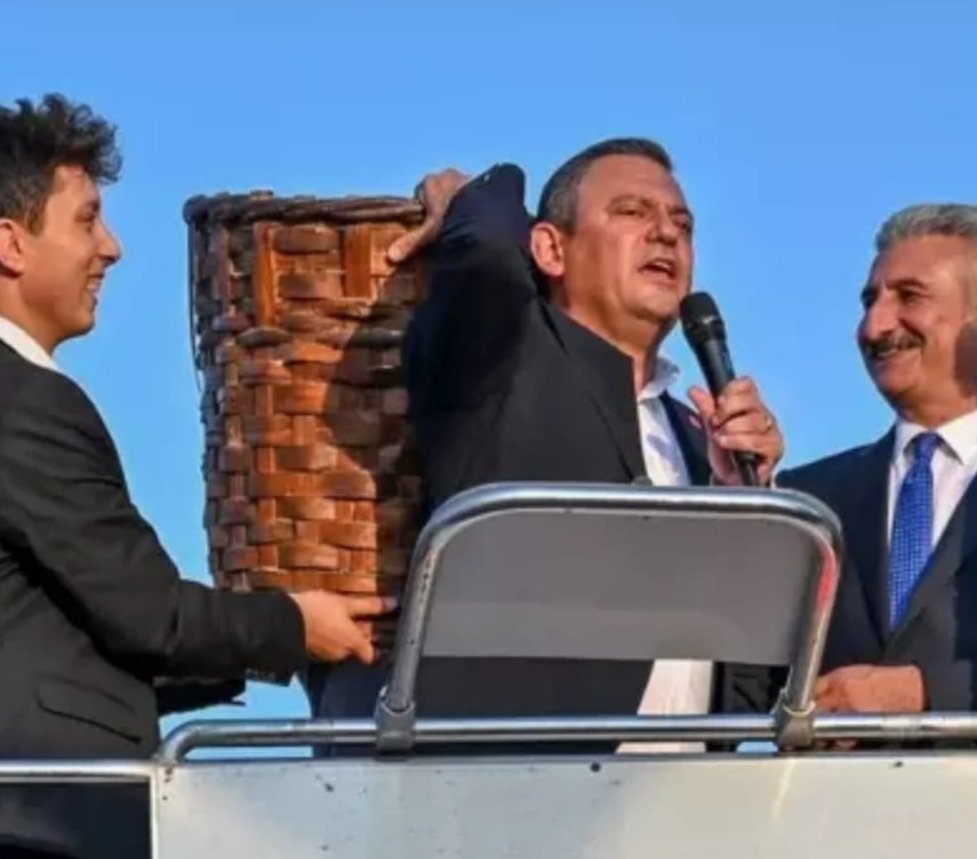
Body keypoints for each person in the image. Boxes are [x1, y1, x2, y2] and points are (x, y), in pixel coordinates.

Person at [0, 94, 394, 858]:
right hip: (42, 823)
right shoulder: (25, 402)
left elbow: (70, 634)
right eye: (86, 220)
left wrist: (259, 646)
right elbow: (149, 616)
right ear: (11, 243)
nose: (111, 248)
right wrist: (295, 626)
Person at [306, 138, 786, 751]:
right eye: (632, 212)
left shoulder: (698, 436)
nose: (666, 233)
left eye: (682, 224)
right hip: (511, 780)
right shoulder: (503, 360)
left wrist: (745, 498)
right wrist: (467, 194)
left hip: (686, 789)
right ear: (550, 249)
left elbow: (745, 674)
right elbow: (487, 243)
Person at [779, 204, 977, 718]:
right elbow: (743, 683)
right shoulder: (807, 500)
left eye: (909, 296)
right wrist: (738, 497)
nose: (875, 326)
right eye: (870, 301)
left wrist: (926, 692)